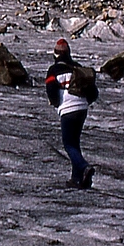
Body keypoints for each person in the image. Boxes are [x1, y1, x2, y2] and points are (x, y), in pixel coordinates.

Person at [45, 39, 95, 189]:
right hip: (82, 108)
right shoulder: (78, 68)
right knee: (75, 143)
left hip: (67, 109)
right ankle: (77, 179)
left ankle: (84, 167)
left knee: (68, 144)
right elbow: (93, 92)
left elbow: (51, 91)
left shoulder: (53, 70)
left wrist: (56, 103)